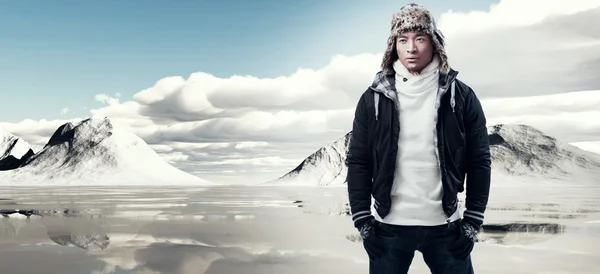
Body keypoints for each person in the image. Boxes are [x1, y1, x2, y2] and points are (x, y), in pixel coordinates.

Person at [346, 3, 491, 274]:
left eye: (420, 38)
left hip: (447, 227)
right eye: (403, 40)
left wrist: (473, 220)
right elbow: (358, 162)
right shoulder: (373, 99)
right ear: (394, 46)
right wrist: (363, 220)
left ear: (434, 43)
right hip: (388, 227)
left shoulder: (460, 96)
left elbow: (479, 160)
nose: (411, 48)